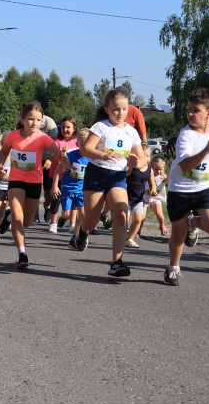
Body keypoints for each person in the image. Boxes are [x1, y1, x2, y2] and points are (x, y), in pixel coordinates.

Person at [163, 88, 209, 286]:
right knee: (177, 234)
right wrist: (205, 151)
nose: (190, 114)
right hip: (180, 188)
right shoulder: (186, 135)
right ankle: (173, 268)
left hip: (204, 188)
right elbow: (185, 165)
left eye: (195, 110)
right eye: (189, 110)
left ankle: (192, 224)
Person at [74, 88, 147, 277]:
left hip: (118, 177)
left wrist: (136, 162)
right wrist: (104, 155)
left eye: (124, 109)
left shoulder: (131, 132)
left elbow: (142, 159)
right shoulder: (101, 127)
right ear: (107, 109)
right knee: (92, 220)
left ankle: (117, 262)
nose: (120, 113)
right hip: (96, 174)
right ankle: (83, 232)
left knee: (122, 216)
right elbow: (86, 150)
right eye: (116, 109)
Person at [0, 101, 62, 269]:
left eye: (39, 120)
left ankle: (8, 217)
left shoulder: (43, 137)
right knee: (19, 219)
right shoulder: (13, 136)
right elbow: (4, 151)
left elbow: (58, 153)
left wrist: (59, 161)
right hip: (16, 181)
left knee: (26, 222)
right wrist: (0, 167)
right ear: (23, 119)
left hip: (34, 182)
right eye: (31, 119)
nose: (35, 123)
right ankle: (22, 254)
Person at [61, 129, 91, 249]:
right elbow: (59, 169)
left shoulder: (92, 158)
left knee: (82, 216)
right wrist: (54, 186)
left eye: (87, 144)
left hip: (82, 190)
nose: (84, 147)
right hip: (67, 188)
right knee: (67, 215)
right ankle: (63, 218)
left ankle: (75, 237)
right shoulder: (70, 154)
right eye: (81, 144)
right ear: (77, 143)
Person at [49, 116, 79, 231]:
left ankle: (72, 223)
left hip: (72, 177)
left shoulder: (77, 142)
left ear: (74, 128)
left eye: (68, 127)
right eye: (62, 127)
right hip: (57, 175)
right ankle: (53, 223)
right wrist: (61, 153)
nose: (65, 129)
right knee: (55, 199)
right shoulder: (57, 141)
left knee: (73, 200)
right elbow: (51, 157)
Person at [124, 144, 153, 248]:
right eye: (143, 156)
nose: (146, 158)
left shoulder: (150, 169)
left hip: (138, 198)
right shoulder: (132, 167)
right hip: (126, 197)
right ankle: (121, 236)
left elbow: (152, 182)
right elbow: (126, 174)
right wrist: (130, 166)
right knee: (124, 220)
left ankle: (130, 239)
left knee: (138, 220)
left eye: (148, 155)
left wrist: (153, 189)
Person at [146, 156, 169, 236]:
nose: (158, 171)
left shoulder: (163, 176)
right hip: (146, 198)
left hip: (157, 198)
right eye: (156, 169)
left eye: (161, 169)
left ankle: (162, 226)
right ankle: (138, 230)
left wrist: (167, 178)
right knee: (141, 217)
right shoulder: (147, 174)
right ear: (152, 167)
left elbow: (168, 180)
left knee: (160, 215)